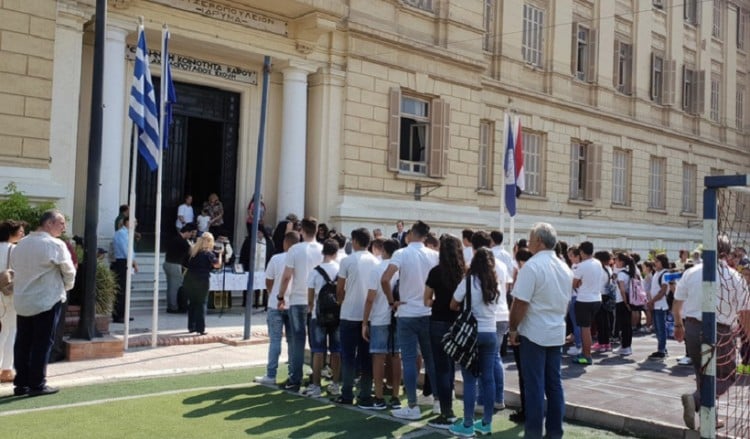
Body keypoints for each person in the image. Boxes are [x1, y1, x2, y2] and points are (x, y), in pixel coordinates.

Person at [673, 235, 748, 431]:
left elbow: (677, 302)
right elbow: (744, 312)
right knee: (727, 375)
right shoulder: (734, 276)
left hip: (692, 327)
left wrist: (678, 325)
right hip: (720, 330)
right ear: (727, 252)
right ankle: (696, 399)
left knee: (703, 374)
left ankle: (709, 420)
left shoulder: (691, 273)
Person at [509, 222, 574, 439]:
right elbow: (565, 303)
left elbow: (520, 303)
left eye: (530, 239)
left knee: (534, 386)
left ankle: (534, 433)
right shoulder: (564, 266)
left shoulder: (533, 266)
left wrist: (512, 328)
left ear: (539, 241)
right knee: (554, 385)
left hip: (534, 331)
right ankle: (555, 432)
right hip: (555, 330)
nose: (528, 243)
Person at [11, 210, 76, 397]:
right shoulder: (55, 244)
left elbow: (15, 267)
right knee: (42, 343)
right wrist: (66, 287)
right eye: (61, 223)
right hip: (47, 299)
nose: (64, 227)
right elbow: (69, 271)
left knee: (23, 342)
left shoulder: (20, 244)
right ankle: (37, 383)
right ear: (49, 224)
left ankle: (21, 383)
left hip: (23, 300)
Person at [381, 220, 439, 420]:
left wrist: (392, 301)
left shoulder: (401, 253)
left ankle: (413, 405)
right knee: (431, 359)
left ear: (412, 234)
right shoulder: (434, 255)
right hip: (427, 312)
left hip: (406, 312)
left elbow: (385, 279)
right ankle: (438, 402)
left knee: (409, 359)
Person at [448, 248, 499, 437]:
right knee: (488, 378)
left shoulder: (468, 281)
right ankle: (486, 422)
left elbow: (453, 304)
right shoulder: (495, 283)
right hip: (491, 332)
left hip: (471, 333)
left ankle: (467, 424)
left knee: (469, 380)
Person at [277, 217, 323, 392]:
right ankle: (314, 377)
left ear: (302, 230)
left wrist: (281, 296)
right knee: (315, 341)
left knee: (297, 340)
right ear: (317, 230)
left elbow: (287, 276)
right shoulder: (321, 249)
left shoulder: (295, 249)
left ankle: (295, 378)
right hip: (316, 300)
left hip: (297, 298)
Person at [424, 234, 464, 429]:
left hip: (438, 321)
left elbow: (426, 299)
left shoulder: (435, 272)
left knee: (441, 368)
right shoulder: (463, 272)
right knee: (451, 367)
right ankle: (451, 410)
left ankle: (446, 412)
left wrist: (437, 302)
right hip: (458, 324)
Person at [337, 228, 379, 408]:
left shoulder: (347, 260)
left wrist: (341, 301)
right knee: (366, 356)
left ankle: (347, 392)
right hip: (368, 314)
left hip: (349, 313)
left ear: (354, 241)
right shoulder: (375, 261)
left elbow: (340, 288)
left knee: (348, 356)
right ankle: (365, 393)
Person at [254, 231, 299, 386]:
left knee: (275, 341)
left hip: (276, 303)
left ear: (285, 243)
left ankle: (271, 374)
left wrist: (274, 293)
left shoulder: (276, 258)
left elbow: (269, 280)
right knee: (292, 342)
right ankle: (293, 374)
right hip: (292, 303)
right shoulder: (300, 259)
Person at [300, 239, 341, 398]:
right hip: (337, 315)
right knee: (336, 351)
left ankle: (316, 385)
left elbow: (310, 297)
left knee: (318, 351)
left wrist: (310, 309)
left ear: (323, 252)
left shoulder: (315, 271)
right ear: (336, 253)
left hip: (319, 315)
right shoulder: (340, 269)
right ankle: (335, 384)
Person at [364, 238, 402, 410]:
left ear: (384, 250)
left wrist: (365, 321)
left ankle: (378, 396)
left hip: (379, 317)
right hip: (398, 316)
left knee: (378, 357)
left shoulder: (377, 269)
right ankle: (395, 395)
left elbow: (370, 298)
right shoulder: (401, 269)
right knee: (396, 356)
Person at [0, 220, 27, 383]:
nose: (23, 234)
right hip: (10, 294)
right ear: (12, 233)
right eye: (21, 231)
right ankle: (7, 369)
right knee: (10, 330)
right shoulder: (15, 250)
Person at [571, 241, 603, 365]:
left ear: (582, 252)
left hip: (584, 299)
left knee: (585, 329)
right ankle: (586, 353)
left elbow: (574, 283)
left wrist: (580, 283)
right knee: (587, 328)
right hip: (596, 298)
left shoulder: (582, 266)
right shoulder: (598, 263)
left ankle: (586, 355)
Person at [182, 232, 221, 335]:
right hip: (202, 280)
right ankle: (200, 328)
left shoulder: (193, 252)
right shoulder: (208, 254)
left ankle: (192, 326)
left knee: (193, 303)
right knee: (201, 303)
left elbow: (185, 264)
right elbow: (217, 265)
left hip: (190, 280)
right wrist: (220, 254)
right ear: (209, 242)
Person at [111, 217, 138, 323]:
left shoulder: (128, 233)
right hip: (122, 262)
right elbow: (125, 249)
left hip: (126, 262)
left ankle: (124, 313)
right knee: (121, 290)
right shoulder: (121, 233)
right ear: (127, 222)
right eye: (134, 222)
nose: (136, 224)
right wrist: (133, 262)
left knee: (126, 289)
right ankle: (118, 315)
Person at [164, 224, 195, 313]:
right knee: (175, 287)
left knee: (170, 286)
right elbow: (191, 252)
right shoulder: (182, 241)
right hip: (175, 265)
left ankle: (170, 305)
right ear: (187, 232)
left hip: (167, 263)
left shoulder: (174, 238)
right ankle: (173, 307)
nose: (190, 236)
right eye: (190, 233)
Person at [647, 254, 670, 359]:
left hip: (660, 305)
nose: (655, 263)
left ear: (662, 262)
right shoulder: (657, 273)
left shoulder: (665, 273)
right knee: (657, 328)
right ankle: (662, 348)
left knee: (661, 328)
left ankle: (661, 350)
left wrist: (652, 300)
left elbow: (663, 291)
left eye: (657, 261)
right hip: (656, 305)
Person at [613, 252, 635, 356]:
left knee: (623, 326)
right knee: (627, 325)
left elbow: (622, 290)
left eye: (616, 259)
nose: (615, 261)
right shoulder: (628, 273)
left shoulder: (621, 274)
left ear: (621, 262)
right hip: (627, 302)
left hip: (622, 302)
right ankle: (626, 346)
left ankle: (625, 347)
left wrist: (625, 303)